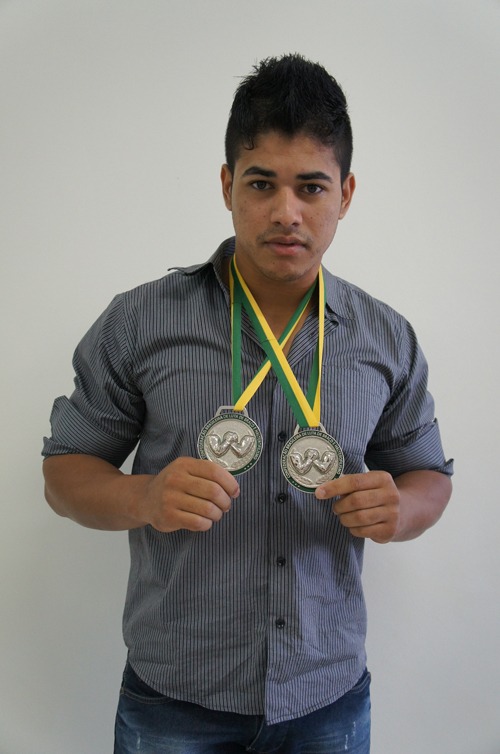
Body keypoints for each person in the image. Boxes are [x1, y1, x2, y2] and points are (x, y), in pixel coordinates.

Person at [42, 53, 453, 754]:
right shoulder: (140, 321)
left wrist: (404, 509)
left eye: (311, 187)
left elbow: (429, 477)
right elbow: (63, 473)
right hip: (174, 700)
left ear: (346, 194)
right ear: (228, 185)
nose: (286, 212)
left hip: (327, 699)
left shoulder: (386, 338)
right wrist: (144, 496)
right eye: (262, 183)